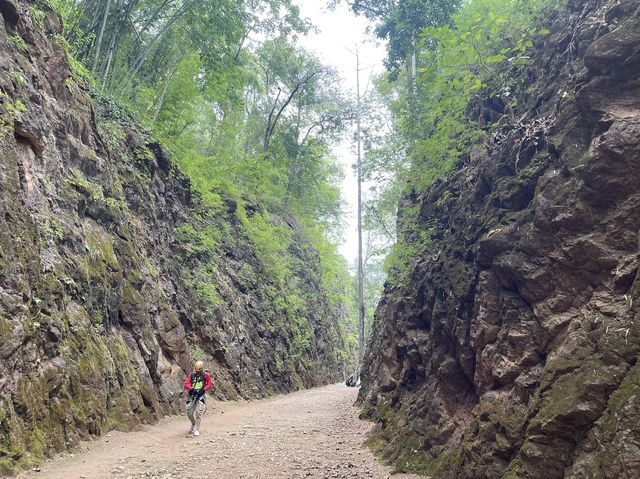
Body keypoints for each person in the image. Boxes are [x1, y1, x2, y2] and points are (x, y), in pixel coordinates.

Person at [184, 360, 213, 436]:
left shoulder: (206, 375)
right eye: (197, 371)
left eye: (199, 371)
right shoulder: (192, 375)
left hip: (201, 395)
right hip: (192, 395)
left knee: (198, 412)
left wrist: (203, 390)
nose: (198, 372)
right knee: (189, 411)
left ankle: (196, 429)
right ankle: (193, 424)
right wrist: (192, 389)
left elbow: (210, 384)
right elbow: (186, 383)